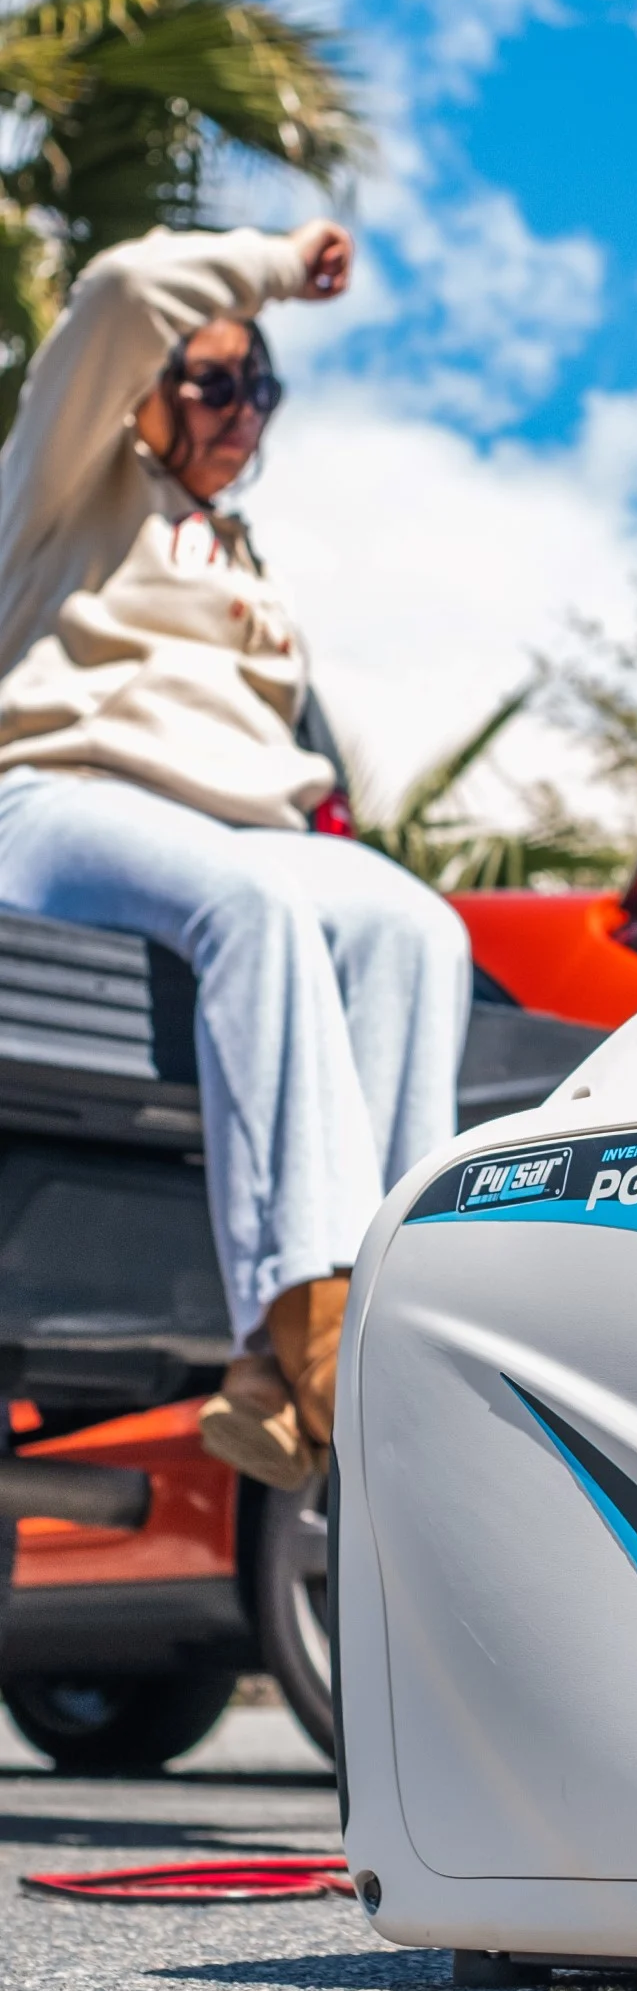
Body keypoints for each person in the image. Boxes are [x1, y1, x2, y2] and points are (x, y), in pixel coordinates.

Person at [0, 221, 471, 1493]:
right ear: (141, 390)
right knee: (254, 905)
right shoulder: (64, 484)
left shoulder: (238, 557)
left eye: (261, 387)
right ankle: (304, 1320)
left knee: (414, 925)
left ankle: (366, 1308)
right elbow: (120, 289)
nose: (242, 409)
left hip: (232, 825)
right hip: (61, 802)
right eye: (213, 380)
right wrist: (274, 267)